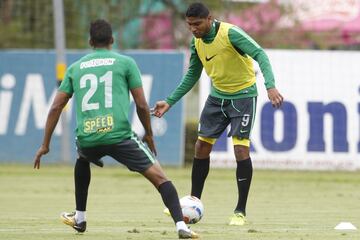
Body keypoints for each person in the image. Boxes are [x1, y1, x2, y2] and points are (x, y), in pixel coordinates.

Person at [33, 19, 198, 239]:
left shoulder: (75, 68)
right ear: (112, 40)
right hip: (120, 136)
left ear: (90, 41)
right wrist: (148, 134)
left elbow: (55, 107)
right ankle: (181, 226)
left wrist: (45, 144)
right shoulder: (126, 63)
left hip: (89, 138)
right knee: (161, 179)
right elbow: (141, 104)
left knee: (82, 156)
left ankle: (80, 218)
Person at [153, 2, 283, 226]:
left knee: (240, 149)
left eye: (197, 24)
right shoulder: (196, 42)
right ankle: (192, 202)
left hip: (243, 96)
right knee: (201, 146)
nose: (193, 29)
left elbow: (260, 54)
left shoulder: (230, 33)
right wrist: (170, 101)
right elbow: (192, 74)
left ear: (209, 19)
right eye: (190, 25)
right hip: (217, 98)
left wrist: (270, 86)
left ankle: (240, 211)